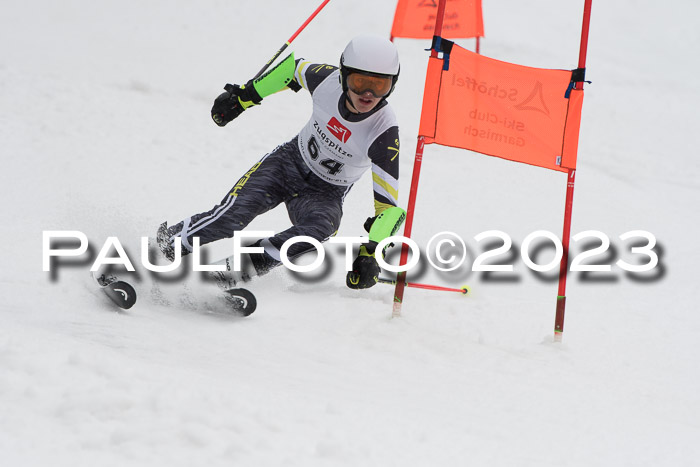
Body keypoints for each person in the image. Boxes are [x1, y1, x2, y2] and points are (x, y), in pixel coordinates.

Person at [157, 34, 405, 290]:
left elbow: (389, 209)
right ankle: (163, 246)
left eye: (380, 86)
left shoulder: (383, 133)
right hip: (286, 164)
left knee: (321, 229)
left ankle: (227, 275)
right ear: (343, 76)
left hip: (325, 193)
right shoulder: (326, 81)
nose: (368, 94)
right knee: (232, 217)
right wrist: (245, 97)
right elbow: (293, 69)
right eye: (360, 81)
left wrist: (372, 252)